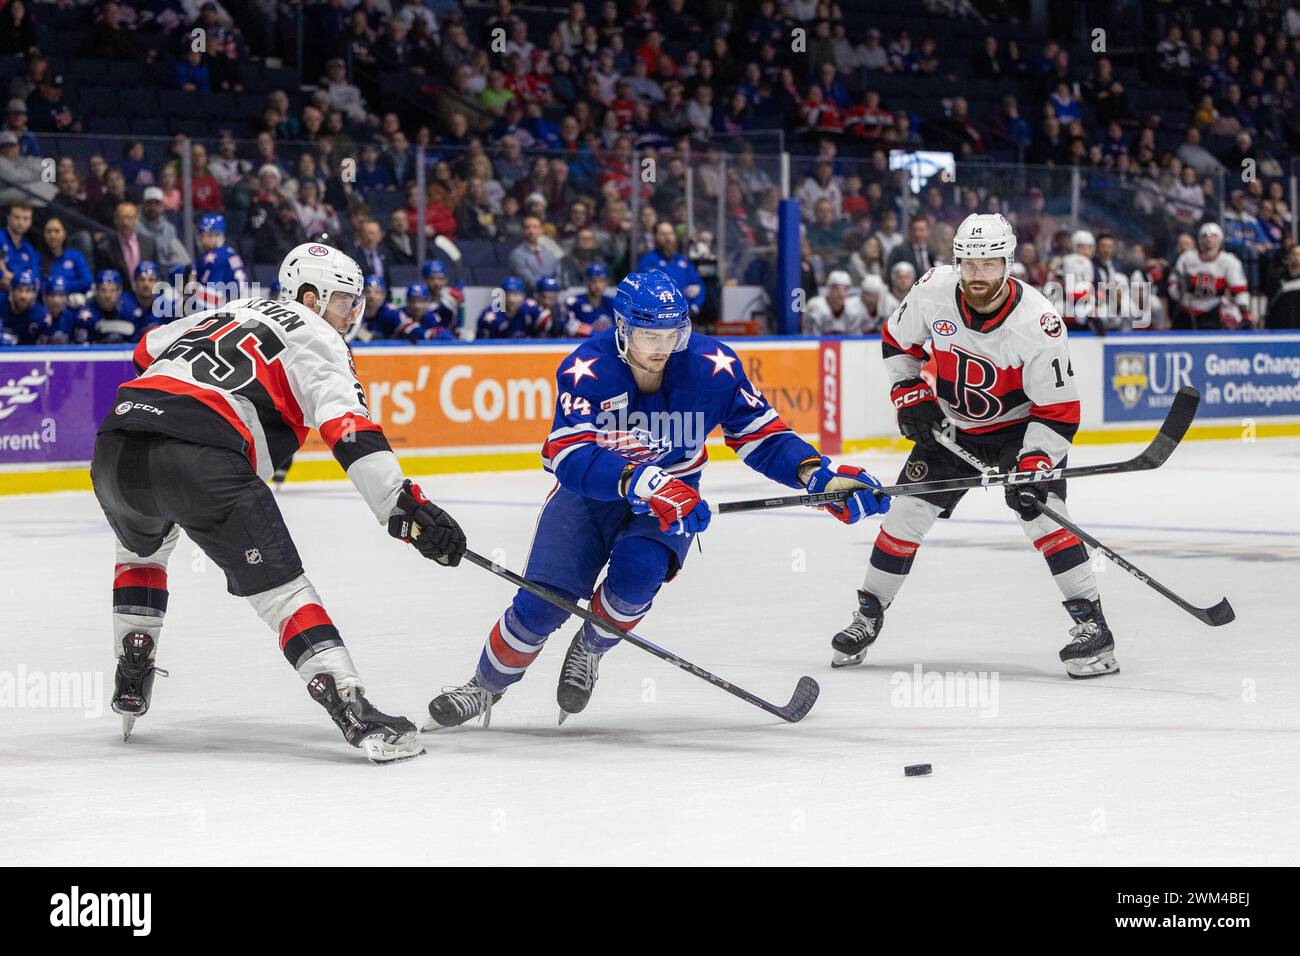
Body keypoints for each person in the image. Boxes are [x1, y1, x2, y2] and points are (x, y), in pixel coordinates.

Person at [424, 271, 889, 728]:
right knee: (544, 604)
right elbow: (566, 454)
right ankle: (484, 686)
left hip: (674, 503)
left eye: (671, 334)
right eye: (648, 335)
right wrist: (640, 480)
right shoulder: (587, 367)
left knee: (636, 578)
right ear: (622, 328)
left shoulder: (714, 367)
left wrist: (815, 475)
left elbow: (761, 436)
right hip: (590, 496)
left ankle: (591, 647)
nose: (661, 348)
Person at [89, 243, 468, 762]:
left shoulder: (226, 310)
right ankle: (348, 701)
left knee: (140, 552)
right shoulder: (318, 336)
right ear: (310, 297)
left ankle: (133, 663)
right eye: (342, 302)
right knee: (284, 593)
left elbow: (146, 348)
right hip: (201, 457)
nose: (350, 316)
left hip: (116, 446)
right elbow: (349, 431)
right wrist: (405, 509)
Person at [832, 213, 1115, 680]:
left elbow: (1060, 410)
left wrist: (1034, 464)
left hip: (1020, 431)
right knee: (903, 516)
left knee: (1044, 516)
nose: (977, 275)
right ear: (956, 262)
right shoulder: (931, 290)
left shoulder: (1038, 324)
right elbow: (897, 341)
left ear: (1008, 263)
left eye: (989, 264)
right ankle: (868, 614)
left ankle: (1095, 630)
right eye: (969, 264)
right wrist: (911, 394)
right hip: (952, 428)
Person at [1167, 222, 1252, 329]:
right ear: (1199, 239)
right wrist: (1181, 288)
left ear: (1220, 239)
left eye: (1213, 236)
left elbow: (1239, 291)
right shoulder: (1186, 258)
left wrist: (1245, 313)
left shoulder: (1229, 261)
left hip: (1213, 311)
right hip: (1185, 310)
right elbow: (1172, 285)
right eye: (1205, 236)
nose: (1208, 239)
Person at [635, 221, 705, 312]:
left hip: (683, 315)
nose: (668, 238)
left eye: (670, 233)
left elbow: (697, 284)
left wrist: (694, 307)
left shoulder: (683, 260)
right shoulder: (648, 260)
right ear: (655, 237)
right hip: (658, 316)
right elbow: (643, 290)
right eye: (663, 234)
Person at [60, 269, 146, 344]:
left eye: (112, 291)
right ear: (96, 291)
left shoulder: (131, 312)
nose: (108, 295)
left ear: (120, 291)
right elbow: (82, 352)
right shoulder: (85, 317)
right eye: (103, 290)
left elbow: (136, 345)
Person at [193, 213, 249, 310]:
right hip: (240, 308)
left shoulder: (215, 257)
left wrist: (191, 289)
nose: (201, 239)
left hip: (225, 310)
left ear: (213, 235)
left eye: (203, 235)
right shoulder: (230, 253)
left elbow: (212, 299)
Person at [475, 275, 548, 338]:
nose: (511, 299)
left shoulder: (533, 310)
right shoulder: (489, 317)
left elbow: (544, 339)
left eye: (516, 294)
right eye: (507, 295)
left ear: (523, 296)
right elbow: (482, 346)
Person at [803, 270, 870, 334]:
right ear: (829, 289)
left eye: (845, 289)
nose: (841, 294)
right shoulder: (816, 306)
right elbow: (811, 340)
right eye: (837, 289)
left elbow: (855, 340)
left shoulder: (853, 309)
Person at [564, 261, 616, 336]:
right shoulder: (575, 303)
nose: (598, 285)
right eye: (593, 281)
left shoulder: (613, 304)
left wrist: (591, 331)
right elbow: (570, 328)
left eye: (601, 281)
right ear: (586, 281)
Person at [0, 268, 50, 344]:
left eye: (28, 291)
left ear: (35, 294)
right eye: (19, 290)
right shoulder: (1, 303)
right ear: (12, 291)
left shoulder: (40, 316)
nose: (23, 296)